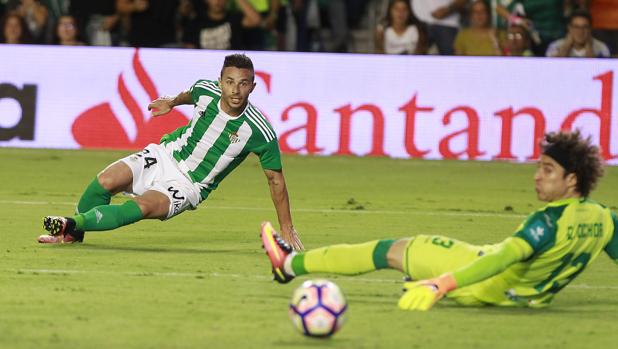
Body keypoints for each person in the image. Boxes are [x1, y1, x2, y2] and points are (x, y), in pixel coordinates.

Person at [261, 130, 617, 310]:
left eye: (548, 170)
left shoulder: (547, 223)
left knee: (387, 249)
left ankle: (289, 265)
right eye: (539, 167)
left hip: (476, 279)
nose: (537, 176)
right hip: (521, 297)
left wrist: (442, 284)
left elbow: (501, 259)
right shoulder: (606, 220)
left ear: (572, 180)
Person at [38, 54, 304, 251]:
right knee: (105, 182)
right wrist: (172, 103)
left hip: (190, 184)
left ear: (253, 87)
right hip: (165, 154)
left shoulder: (259, 130)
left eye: (243, 83)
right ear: (220, 82)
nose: (236, 89)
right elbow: (190, 95)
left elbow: (276, 181)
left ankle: (70, 223)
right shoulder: (205, 89)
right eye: (230, 82)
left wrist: (287, 227)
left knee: (142, 207)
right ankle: (73, 234)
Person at [181, 0, 261, 50]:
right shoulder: (195, 23)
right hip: (204, 65)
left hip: (232, 66)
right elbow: (189, 50)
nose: (218, 1)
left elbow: (256, 20)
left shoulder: (234, 19)